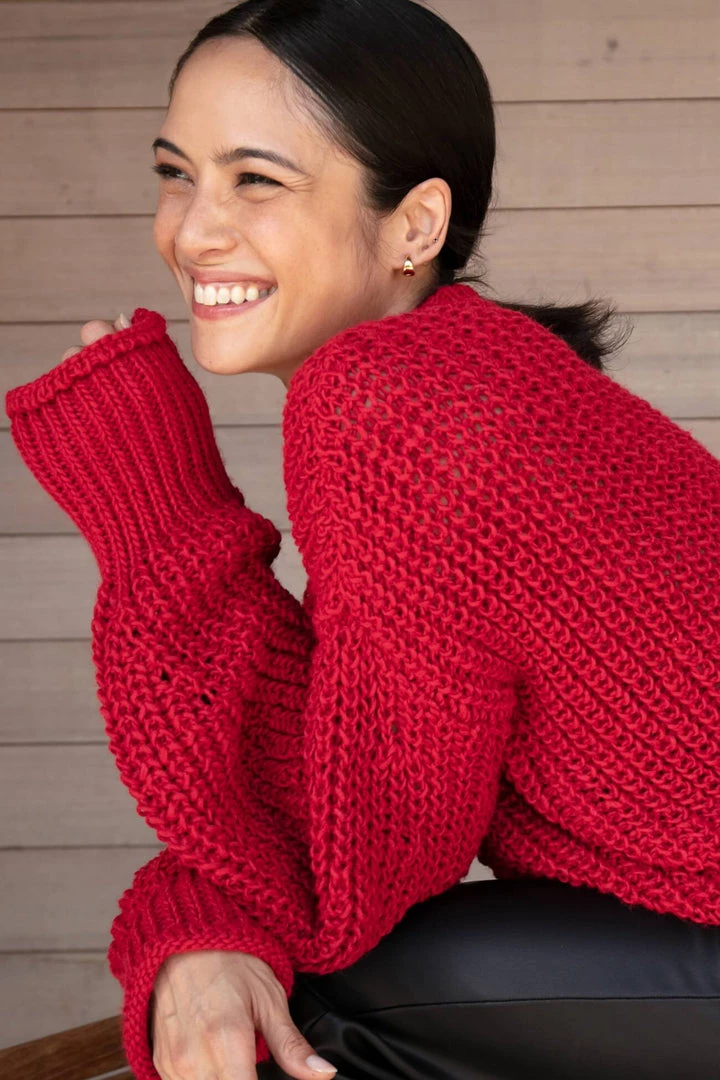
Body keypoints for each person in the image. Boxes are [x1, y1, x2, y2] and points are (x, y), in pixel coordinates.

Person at [5, 1, 720, 1079]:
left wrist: (159, 508)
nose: (193, 231)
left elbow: (352, 862)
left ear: (415, 227)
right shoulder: (469, 371)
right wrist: (202, 924)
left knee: (316, 1008)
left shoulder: (388, 398)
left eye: (256, 180)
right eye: (176, 173)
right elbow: (338, 771)